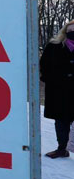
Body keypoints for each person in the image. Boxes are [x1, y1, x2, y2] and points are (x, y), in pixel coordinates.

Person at [40, 19, 74, 158]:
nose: (73, 33)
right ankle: (61, 149)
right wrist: (51, 80)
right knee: (61, 122)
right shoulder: (53, 46)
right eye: (70, 30)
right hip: (59, 92)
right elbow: (43, 66)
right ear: (65, 31)